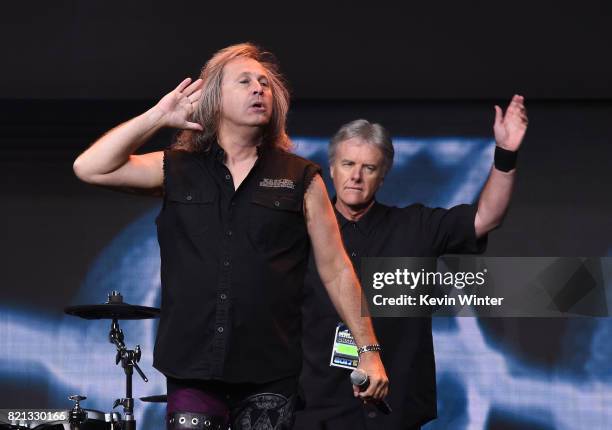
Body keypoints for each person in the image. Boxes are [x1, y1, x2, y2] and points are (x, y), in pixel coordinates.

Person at [72, 43, 388, 430]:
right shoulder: (177, 168)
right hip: (192, 366)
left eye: (265, 83)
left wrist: (368, 350)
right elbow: (90, 168)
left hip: (270, 369)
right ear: (214, 99)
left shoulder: (301, 178)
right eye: (244, 81)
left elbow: (338, 270)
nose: (259, 89)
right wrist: (158, 117)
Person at [294, 96, 528, 429]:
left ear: (383, 175)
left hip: (394, 412)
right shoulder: (298, 234)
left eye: (368, 168)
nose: (356, 176)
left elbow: (486, 217)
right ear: (331, 168)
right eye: (347, 164)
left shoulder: (415, 226)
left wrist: (505, 155)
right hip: (315, 412)